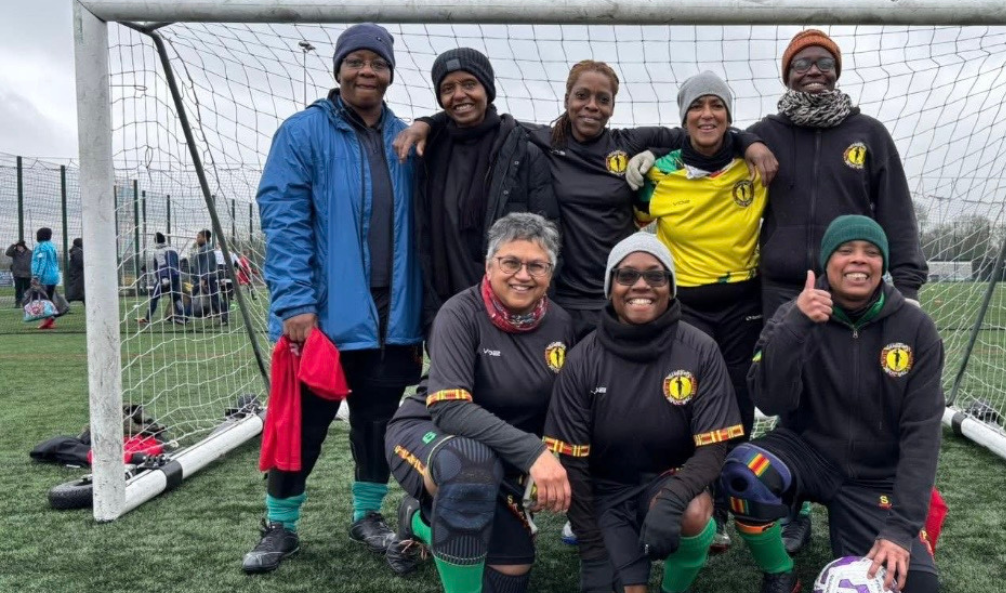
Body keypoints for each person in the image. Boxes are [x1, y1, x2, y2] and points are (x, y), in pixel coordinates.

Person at [395, 59, 776, 340]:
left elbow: (701, 132)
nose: (591, 105)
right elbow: (482, 116)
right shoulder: (539, 141)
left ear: (612, 106)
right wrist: (429, 122)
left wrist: (752, 142)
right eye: (582, 96)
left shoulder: (628, 143)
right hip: (561, 298)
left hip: (619, 294)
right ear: (567, 99)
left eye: (602, 99)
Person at [243, 22, 425, 574]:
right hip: (319, 318)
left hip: (394, 318)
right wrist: (295, 303)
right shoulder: (302, 133)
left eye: (377, 62)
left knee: (376, 424)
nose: (366, 71)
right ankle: (280, 526)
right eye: (356, 61)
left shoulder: (409, 138)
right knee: (303, 425)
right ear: (338, 68)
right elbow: (284, 219)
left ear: (391, 72)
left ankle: (366, 516)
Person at [722, 215, 943, 593]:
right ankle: (780, 571)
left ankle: (864, 530)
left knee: (917, 587)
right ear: (827, 262)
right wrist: (797, 327)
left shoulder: (915, 327)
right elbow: (768, 399)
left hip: (876, 477)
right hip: (808, 452)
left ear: (883, 265)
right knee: (747, 470)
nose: (859, 260)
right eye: (846, 251)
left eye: (871, 252)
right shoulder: (791, 315)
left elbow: (922, 435)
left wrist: (900, 529)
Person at [544, 233, 744, 593]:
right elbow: (573, 464)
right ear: (610, 287)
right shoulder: (582, 359)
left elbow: (714, 449)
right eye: (626, 275)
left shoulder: (700, 348)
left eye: (656, 276)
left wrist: (672, 499)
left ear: (671, 287)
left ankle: (673, 587)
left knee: (693, 513)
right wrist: (593, 550)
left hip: (669, 481)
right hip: (607, 493)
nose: (641, 285)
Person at [384, 213, 573, 593]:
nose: (523, 274)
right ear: (489, 265)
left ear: (550, 273)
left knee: (511, 575)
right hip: (431, 433)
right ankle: (434, 511)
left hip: (501, 455)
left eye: (537, 265)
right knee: (469, 463)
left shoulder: (562, 324)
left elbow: (561, 406)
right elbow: (450, 410)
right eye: (511, 262)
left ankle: (421, 519)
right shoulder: (459, 313)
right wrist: (534, 454)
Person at [632, 71, 768, 553]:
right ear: (684, 116)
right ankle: (692, 493)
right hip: (685, 306)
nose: (707, 114)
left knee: (737, 400)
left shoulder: (755, 165)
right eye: (697, 106)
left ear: (730, 116)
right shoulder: (658, 174)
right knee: (683, 400)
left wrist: (750, 144)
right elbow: (632, 218)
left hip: (743, 304)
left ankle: (731, 501)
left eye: (717, 105)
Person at [412, 47, 559, 336]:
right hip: (444, 304)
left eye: (469, 84)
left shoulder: (523, 153)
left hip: (508, 305)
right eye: (448, 88)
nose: (459, 95)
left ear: (487, 89)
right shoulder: (427, 152)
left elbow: (549, 237)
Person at [138, 232, 186, 325]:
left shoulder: (159, 252)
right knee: (176, 298)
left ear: (155, 241)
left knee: (154, 298)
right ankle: (183, 317)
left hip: (164, 279)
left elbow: (162, 264)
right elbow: (180, 263)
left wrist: (164, 277)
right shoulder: (174, 250)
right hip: (175, 276)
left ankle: (147, 319)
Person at [190, 229, 228, 325]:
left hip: (207, 279)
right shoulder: (205, 248)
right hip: (203, 278)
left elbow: (207, 265)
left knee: (215, 298)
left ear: (205, 238)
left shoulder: (207, 248)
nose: (197, 239)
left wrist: (203, 278)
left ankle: (224, 317)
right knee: (191, 295)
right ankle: (184, 316)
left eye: (198, 237)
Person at [29, 228, 62, 330]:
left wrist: (36, 276)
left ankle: (48, 320)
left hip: (44, 276)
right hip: (54, 275)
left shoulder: (41, 247)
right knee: (49, 298)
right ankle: (50, 320)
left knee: (42, 299)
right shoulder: (52, 246)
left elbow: (41, 262)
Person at [7, 239, 31, 308]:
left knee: (27, 289)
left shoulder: (30, 253)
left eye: (20, 246)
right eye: (17, 247)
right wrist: (13, 245)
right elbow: (7, 253)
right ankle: (17, 303)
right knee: (18, 289)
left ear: (23, 246)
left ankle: (27, 303)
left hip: (27, 274)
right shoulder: (14, 253)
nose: (18, 248)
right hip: (17, 274)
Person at [66, 238, 85, 303]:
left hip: (77, 275)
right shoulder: (78, 252)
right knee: (74, 293)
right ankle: (63, 306)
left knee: (82, 294)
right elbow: (80, 262)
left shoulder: (76, 251)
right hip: (78, 275)